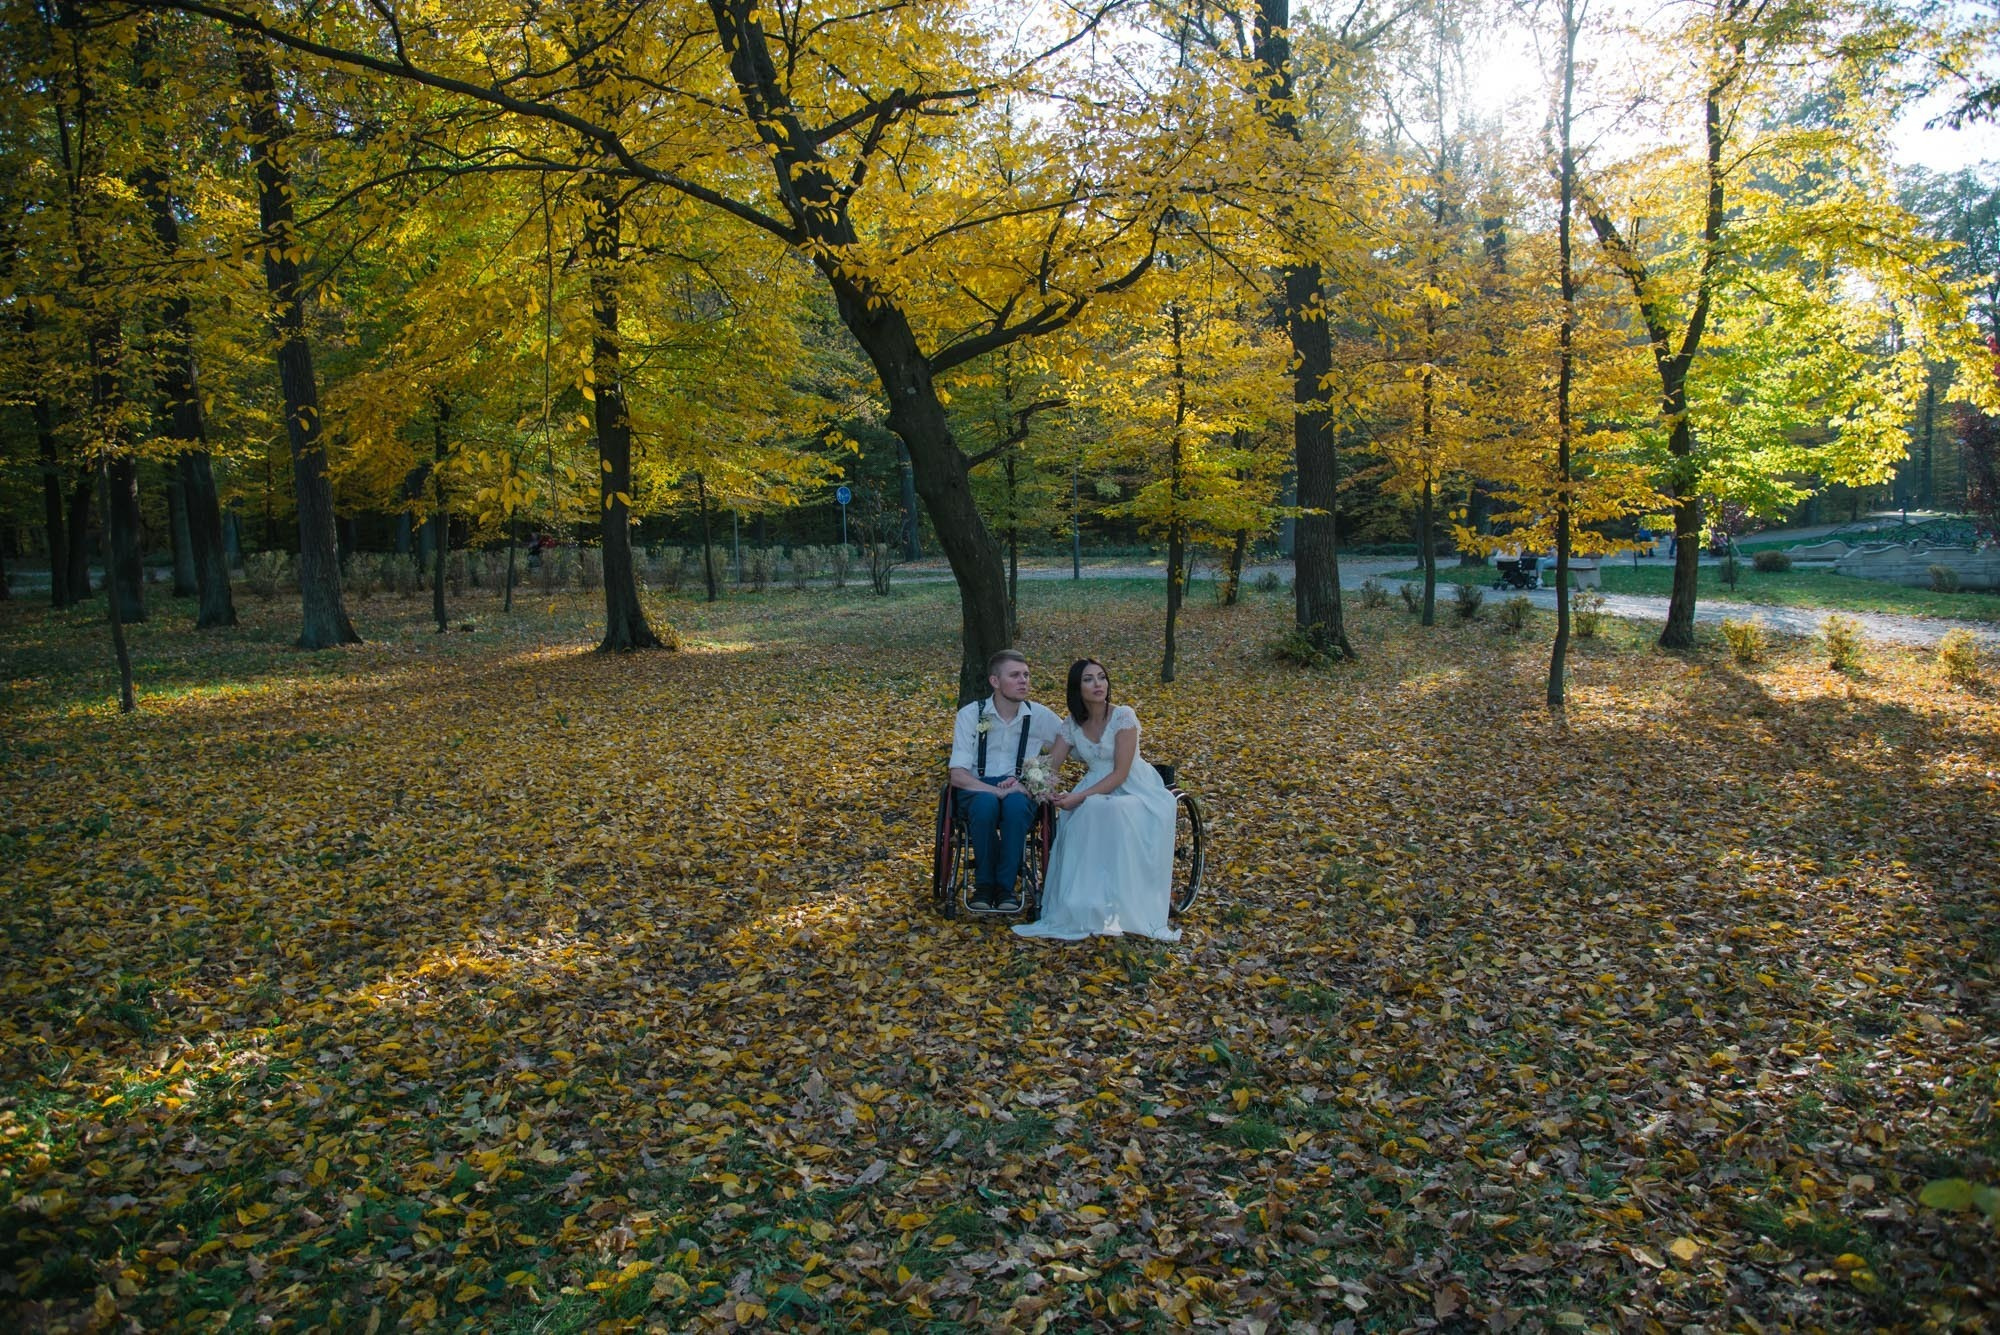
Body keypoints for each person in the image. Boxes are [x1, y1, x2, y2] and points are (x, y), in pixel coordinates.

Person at [1014, 659, 1180, 942]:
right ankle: (1085, 903)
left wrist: (1079, 796)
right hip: (1094, 785)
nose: (1098, 684)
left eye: (1101, 677)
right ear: (1077, 688)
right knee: (1087, 811)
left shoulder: (1123, 717)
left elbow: (1120, 773)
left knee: (1103, 807)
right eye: (1088, 679)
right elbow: (1050, 765)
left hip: (1134, 787)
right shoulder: (1072, 724)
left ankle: (1125, 903)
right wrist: (1026, 781)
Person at [947, 650, 1063, 911]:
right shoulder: (970, 715)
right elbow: (958, 775)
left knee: (1016, 806)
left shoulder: (1040, 716)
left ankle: (1005, 888)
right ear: (995, 681)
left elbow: (1069, 741)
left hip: (1020, 788)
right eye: (1015, 675)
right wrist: (994, 790)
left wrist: (1037, 775)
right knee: (985, 804)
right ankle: (984, 886)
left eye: (1026, 675)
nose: (1024, 681)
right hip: (976, 787)